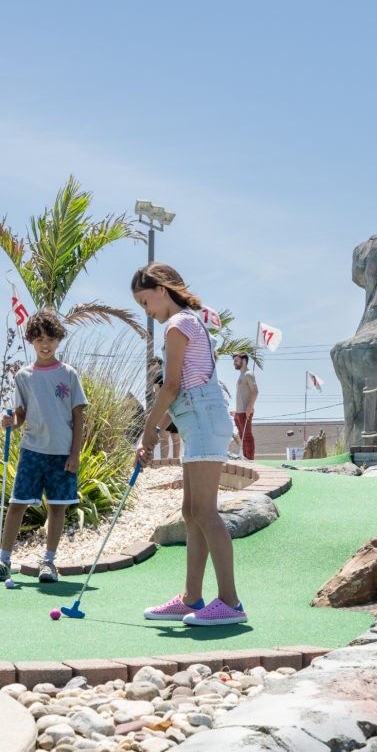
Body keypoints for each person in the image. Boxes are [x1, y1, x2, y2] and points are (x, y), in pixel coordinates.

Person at [132, 262, 246, 627]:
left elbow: (172, 387)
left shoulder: (177, 325)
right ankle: (191, 597)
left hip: (203, 422)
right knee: (190, 511)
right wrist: (154, 433)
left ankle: (231, 602)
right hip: (197, 420)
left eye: (145, 300)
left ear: (161, 289)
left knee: (205, 511)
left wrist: (148, 428)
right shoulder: (190, 322)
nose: (145, 310)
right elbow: (181, 395)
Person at [0, 309, 87, 584]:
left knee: (57, 507)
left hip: (62, 452)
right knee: (17, 504)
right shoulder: (23, 376)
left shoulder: (69, 374)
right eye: (39, 338)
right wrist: (11, 422)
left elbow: (78, 416)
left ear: (58, 339)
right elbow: (20, 414)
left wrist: (75, 453)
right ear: (31, 340)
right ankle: (3, 561)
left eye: (50, 338)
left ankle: (48, 562)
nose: (45, 344)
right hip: (32, 450)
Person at [231, 351, 258, 459]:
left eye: (236, 361)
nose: (235, 363)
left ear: (244, 361)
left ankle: (250, 460)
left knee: (247, 437)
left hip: (245, 412)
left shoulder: (248, 374)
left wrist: (249, 408)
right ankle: (246, 458)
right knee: (242, 436)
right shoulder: (241, 375)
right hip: (239, 412)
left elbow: (255, 391)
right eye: (234, 361)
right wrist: (236, 411)